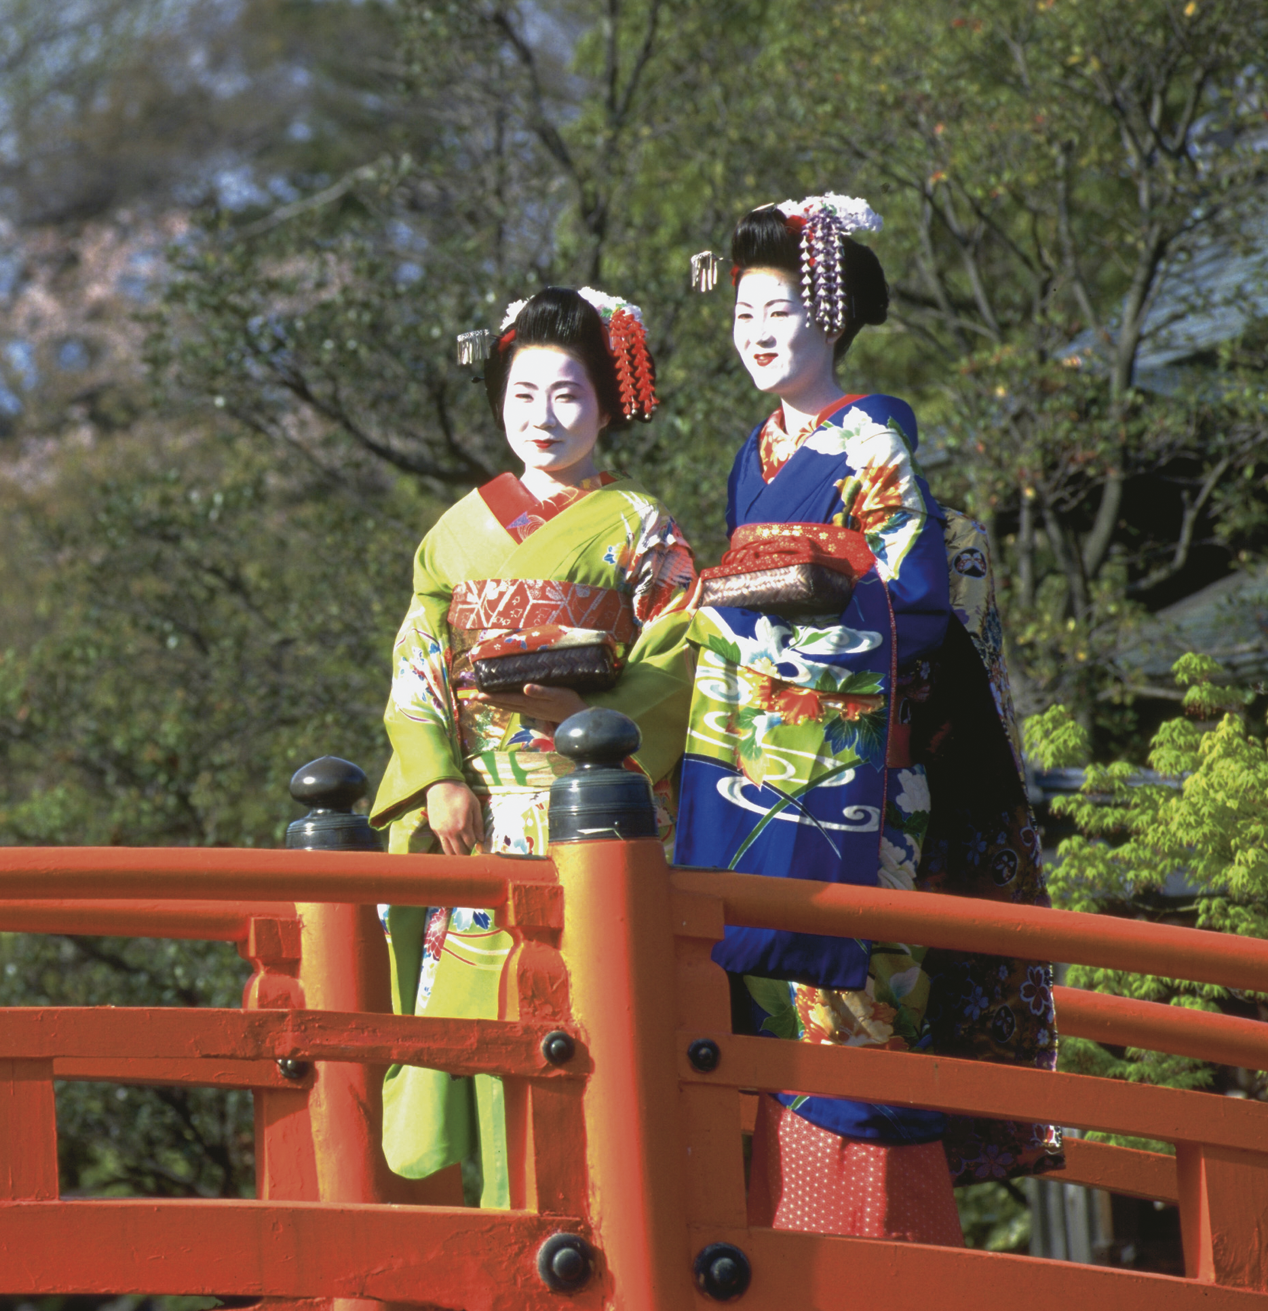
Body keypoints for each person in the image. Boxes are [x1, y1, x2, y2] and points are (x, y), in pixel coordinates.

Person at [676, 196, 1060, 1244]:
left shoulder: (870, 439)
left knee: (860, 1006)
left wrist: (791, 607)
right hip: (761, 766)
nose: (757, 332)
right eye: (744, 312)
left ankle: (882, 1257)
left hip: (857, 775)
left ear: (832, 319)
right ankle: (793, 1237)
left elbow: (918, 604)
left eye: (782, 310)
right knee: (767, 988)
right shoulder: (754, 450)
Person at [367, 285, 697, 1207]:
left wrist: (591, 719)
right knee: (485, 1043)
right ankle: (506, 1221)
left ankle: (598, 1216)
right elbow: (418, 667)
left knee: (595, 1031)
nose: (543, 417)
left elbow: (681, 655)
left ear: (605, 402)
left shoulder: (642, 527)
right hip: (477, 810)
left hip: (591, 804)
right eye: (522, 395)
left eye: (566, 395)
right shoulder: (454, 534)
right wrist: (436, 780)